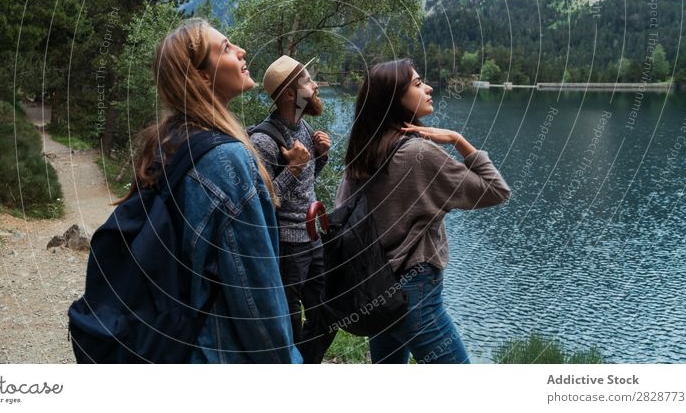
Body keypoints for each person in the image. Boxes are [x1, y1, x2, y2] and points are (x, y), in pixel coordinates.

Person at [119, 18, 301, 364]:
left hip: (176, 341)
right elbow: (256, 292)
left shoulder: (167, 140)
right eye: (226, 48)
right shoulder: (226, 159)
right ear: (202, 76)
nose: (242, 50)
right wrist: (285, 361)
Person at [336, 59, 511, 364]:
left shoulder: (362, 154)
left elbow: (342, 215)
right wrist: (459, 140)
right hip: (414, 293)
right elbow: (496, 191)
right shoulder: (420, 153)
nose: (428, 88)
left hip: (377, 289)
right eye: (417, 84)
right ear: (395, 98)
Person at [249, 55, 337, 363]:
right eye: (307, 81)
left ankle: (306, 362)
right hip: (286, 244)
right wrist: (294, 169)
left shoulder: (303, 129)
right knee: (288, 319)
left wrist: (319, 157)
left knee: (325, 312)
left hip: (313, 238)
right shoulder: (262, 140)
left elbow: (303, 187)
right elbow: (260, 200)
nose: (314, 85)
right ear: (290, 94)